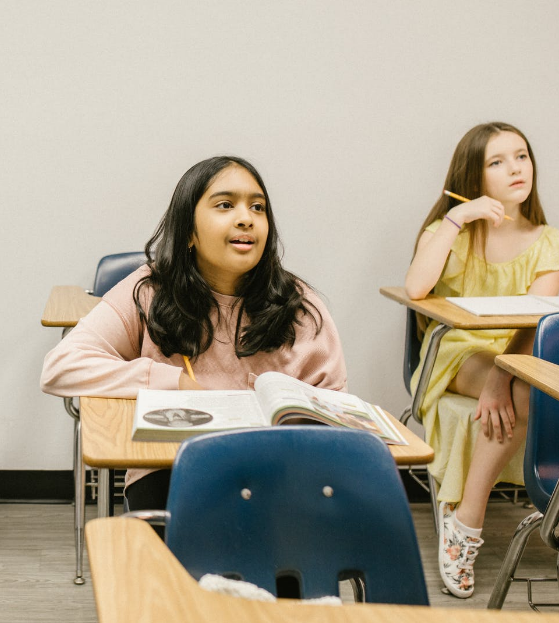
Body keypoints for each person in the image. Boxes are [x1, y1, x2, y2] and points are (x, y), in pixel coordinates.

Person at [41, 155, 347, 512]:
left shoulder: (298, 304)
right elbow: (60, 367)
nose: (246, 218)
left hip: (278, 474)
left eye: (258, 207)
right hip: (172, 469)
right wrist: (173, 383)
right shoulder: (149, 290)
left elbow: (335, 412)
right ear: (188, 230)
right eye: (225, 205)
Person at [404, 122, 559, 598]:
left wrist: (504, 373)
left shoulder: (548, 241)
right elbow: (417, 289)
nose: (516, 168)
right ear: (474, 177)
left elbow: (533, 322)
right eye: (496, 162)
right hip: (457, 353)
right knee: (521, 386)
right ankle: (467, 522)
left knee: (552, 388)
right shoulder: (450, 231)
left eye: (521, 155)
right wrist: (458, 218)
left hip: (518, 352)